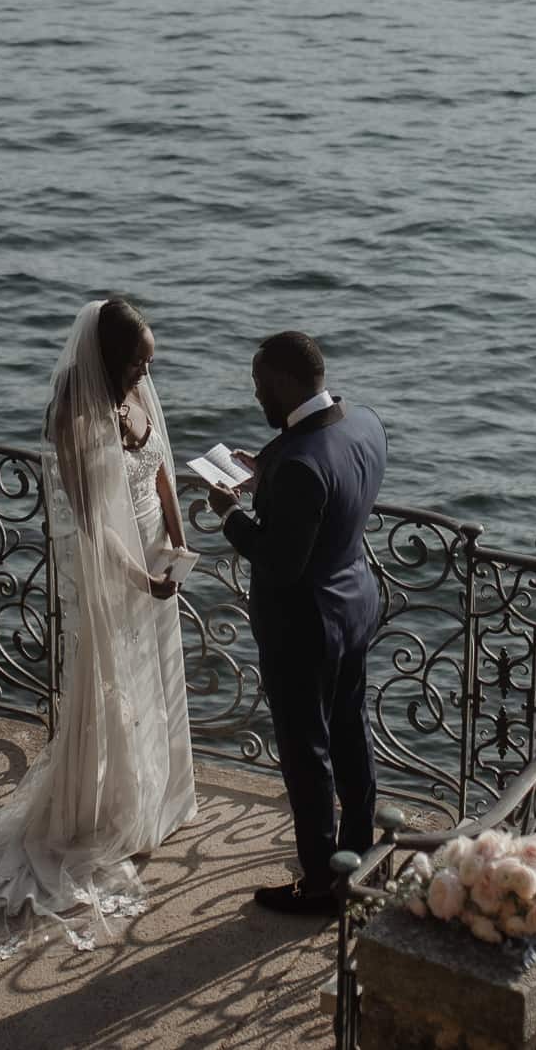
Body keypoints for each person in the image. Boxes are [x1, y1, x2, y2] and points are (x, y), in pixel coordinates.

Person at [0, 296, 197, 957]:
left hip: (155, 553)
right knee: (109, 686)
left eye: (150, 360)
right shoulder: (73, 415)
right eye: (139, 360)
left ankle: (155, 799)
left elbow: (163, 467)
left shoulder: (135, 390)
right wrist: (142, 579)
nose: (147, 370)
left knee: (154, 679)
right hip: (114, 568)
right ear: (111, 359)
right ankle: (102, 812)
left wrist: (175, 537)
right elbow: (93, 524)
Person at [210, 329, 385, 917]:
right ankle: (360, 847)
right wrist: (268, 475)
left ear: (285, 382)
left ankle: (320, 882)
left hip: (303, 626)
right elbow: (326, 496)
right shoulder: (362, 422)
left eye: (261, 386)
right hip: (354, 604)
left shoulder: (299, 464)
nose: (257, 397)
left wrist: (232, 514)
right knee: (351, 728)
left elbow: (282, 563)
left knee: (306, 752)